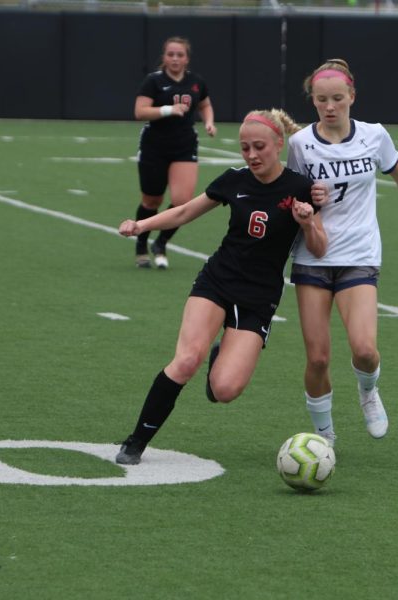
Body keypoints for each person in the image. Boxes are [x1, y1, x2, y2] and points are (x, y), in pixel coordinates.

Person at [115, 109, 327, 465]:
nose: (252, 155)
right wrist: (141, 225)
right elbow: (184, 212)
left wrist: (307, 224)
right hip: (217, 281)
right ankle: (136, 440)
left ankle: (220, 357)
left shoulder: (300, 188)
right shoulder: (234, 180)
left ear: (279, 145)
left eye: (259, 147)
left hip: (259, 296)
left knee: (225, 390)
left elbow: (320, 248)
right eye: (245, 148)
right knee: (185, 361)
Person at [285, 59, 398, 447]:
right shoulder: (300, 143)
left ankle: (368, 391)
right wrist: (307, 201)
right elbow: (288, 195)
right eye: (321, 100)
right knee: (319, 359)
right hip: (313, 257)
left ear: (352, 97)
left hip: (359, 255)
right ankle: (325, 436)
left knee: (365, 350)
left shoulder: (375, 136)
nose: (329, 106)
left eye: (337, 98)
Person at [131, 36, 216, 269]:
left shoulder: (196, 81)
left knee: (182, 201)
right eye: (171, 54)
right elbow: (140, 111)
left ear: (187, 58)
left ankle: (161, 242)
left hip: (184, 144)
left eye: (180, 55)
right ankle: (141, 242)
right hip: (155, 146)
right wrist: (168, 109)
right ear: (164, 57)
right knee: (152, 200)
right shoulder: (154, 81)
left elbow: (205, 104)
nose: (175, 59)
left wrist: (208, 121)